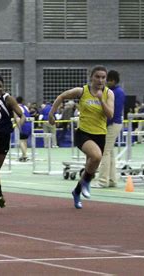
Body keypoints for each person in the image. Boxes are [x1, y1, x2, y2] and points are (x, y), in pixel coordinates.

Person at [49, 65, 114, 209]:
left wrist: (101, 100)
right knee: (96, 157)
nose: (100, 80)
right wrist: (51, 113)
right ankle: (86, 183)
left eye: (103, 77)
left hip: (100, 134)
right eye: (97, 77)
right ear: (91, 77)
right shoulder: (82, 91)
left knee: (90, 166)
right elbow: (62, 96)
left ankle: (77, 191)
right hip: (83, 133)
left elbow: (110, 115)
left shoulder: (109, 94)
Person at [0, 73, 25, 207]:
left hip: (4, 135)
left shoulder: (7, 99)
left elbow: (21, 115)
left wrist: (20, 122)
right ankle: (0, 196)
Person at [94, 70, 125, 188]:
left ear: (113, 80)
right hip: (113, 123)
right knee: (110, 153)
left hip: (112, 124)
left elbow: (113, 112)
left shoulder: (117, 92)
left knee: (104, 152)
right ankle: (112, 180)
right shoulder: (114, 91)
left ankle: (102, 181)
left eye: (107, 80)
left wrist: (104, 125)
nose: (104, 82)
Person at [16, 96, 32, 162]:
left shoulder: (17, 107)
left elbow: (18, 118)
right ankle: (23, 155)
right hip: (30, 125)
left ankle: (25, 155)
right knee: (24, 141)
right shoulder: (25, 107)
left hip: (24, 125)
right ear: (22, 101)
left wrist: (19, 126)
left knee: (21, 141)